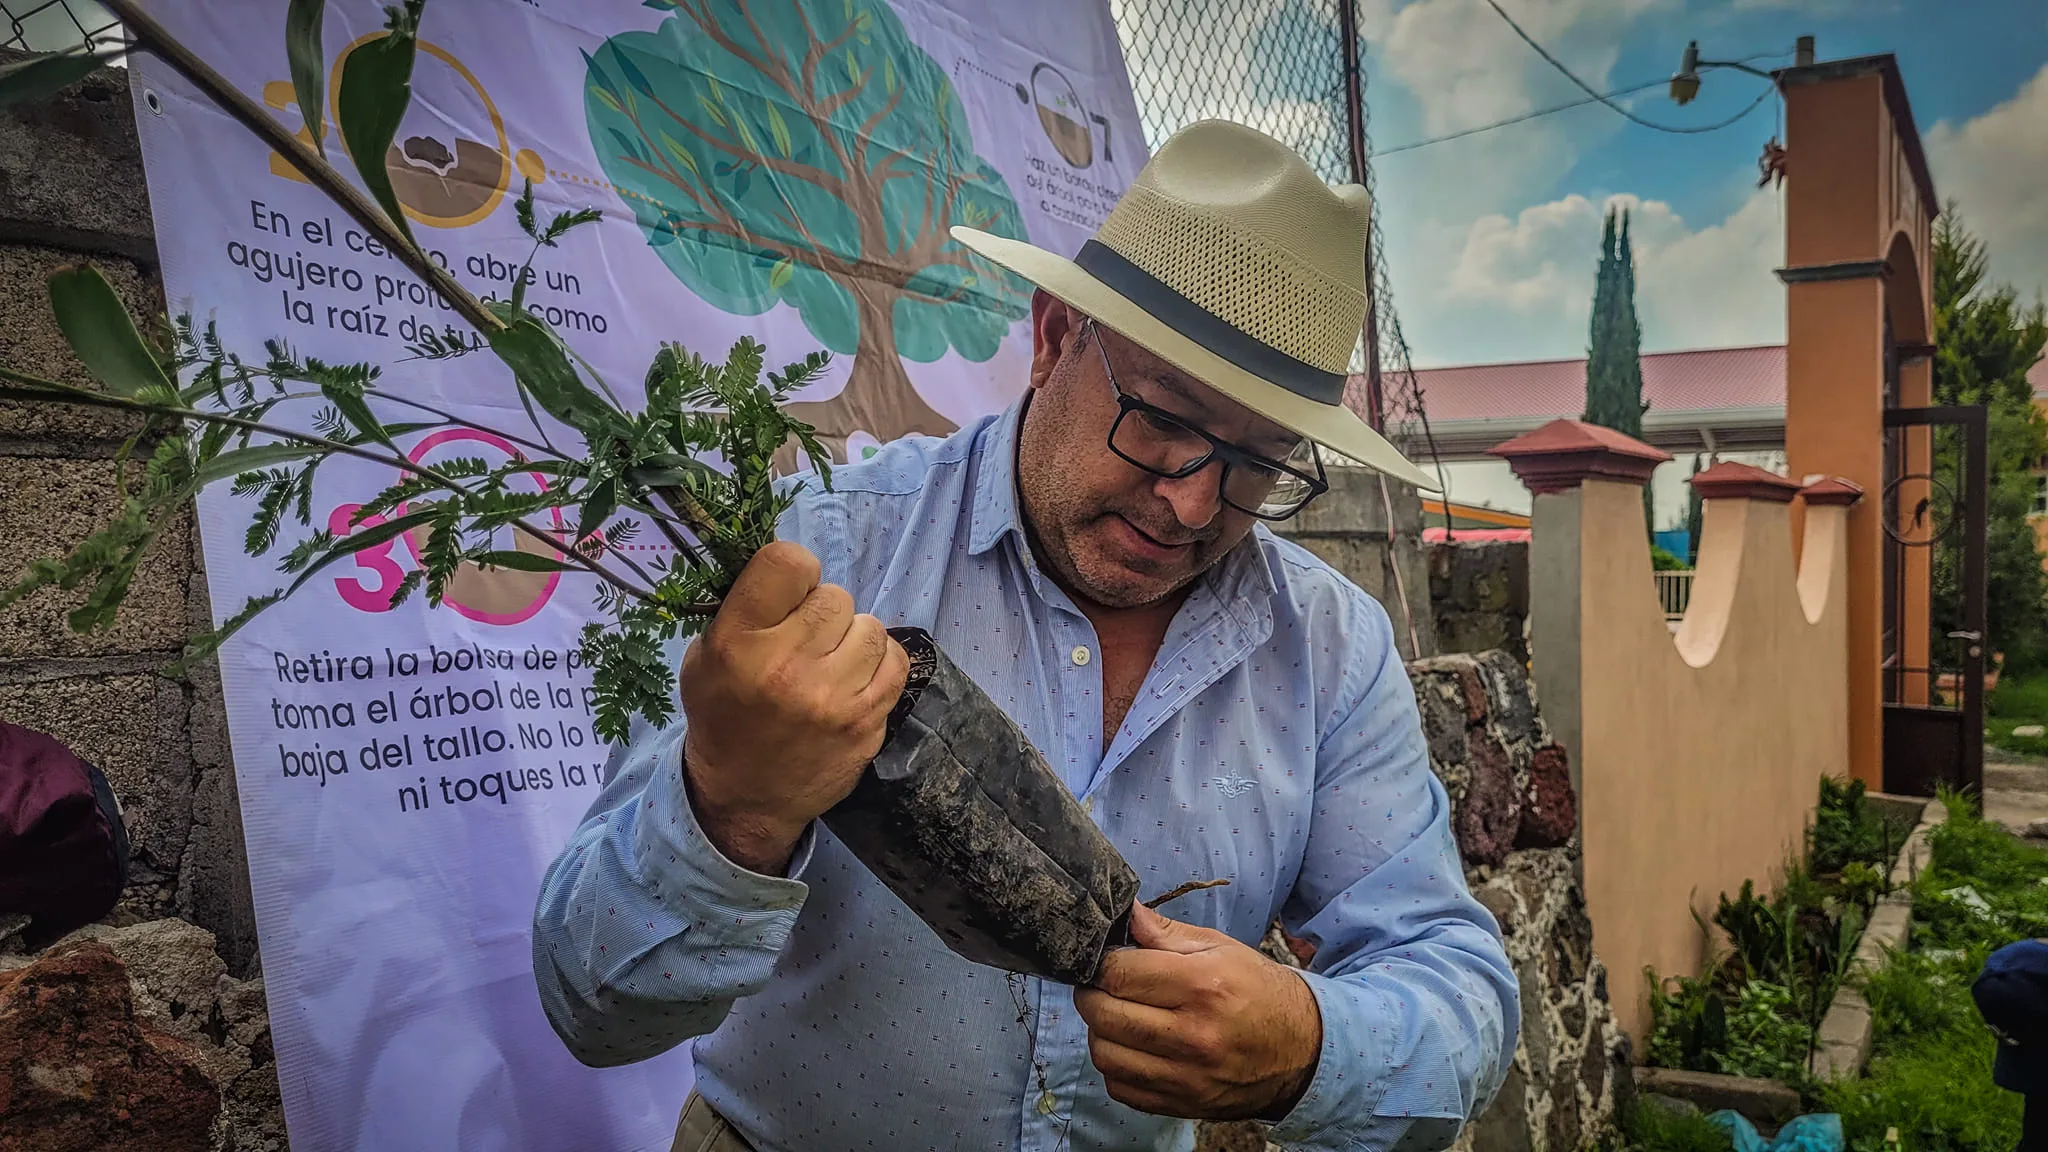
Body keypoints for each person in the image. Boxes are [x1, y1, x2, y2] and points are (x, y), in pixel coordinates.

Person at [531, 118, 1519, 1152]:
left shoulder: (1328, 647)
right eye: (1159, 419)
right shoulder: (815, 561)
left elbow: (1454, 989)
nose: (1189, 505)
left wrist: (1316, 1047)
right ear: (1051, 338)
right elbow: (593, 1003)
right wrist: (731, 810)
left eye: (1255, 461)